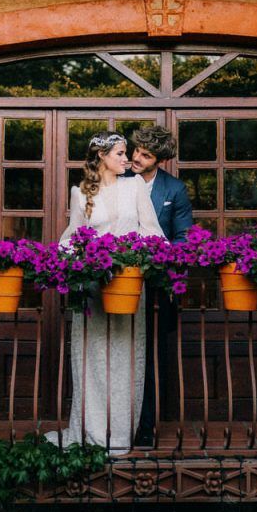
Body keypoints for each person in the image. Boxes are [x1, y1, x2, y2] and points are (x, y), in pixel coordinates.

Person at [46, 131, 165, 452]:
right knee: (94, 360)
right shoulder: (80, 192)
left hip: (127, 284)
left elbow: (152, 231)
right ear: (102, 156)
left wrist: (140, 255)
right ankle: (93, 432)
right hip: (94, 290)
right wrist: (70, 262)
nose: (127, 159)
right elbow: (72, 238)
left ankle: (120, 435)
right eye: (120, 153)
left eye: (126, 153)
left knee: (125, 360)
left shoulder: (134, 186)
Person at [128, 126, 193, 447]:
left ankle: (146, 427)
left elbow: (184, 238)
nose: (137, 158)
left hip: (155, 289)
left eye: (146, 155)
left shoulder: (174, 189)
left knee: (152, 357)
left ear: (160, 160)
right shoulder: (118, 179)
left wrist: (160, 258)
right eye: (136, 150)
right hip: (118, 285)